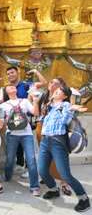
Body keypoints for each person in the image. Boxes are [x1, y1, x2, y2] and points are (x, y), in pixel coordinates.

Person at [38, 84, 90, 212]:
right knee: (43, 170)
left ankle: (84, 199)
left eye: (59, 91)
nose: (55, 91)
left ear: (65, 96)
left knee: (65, 175)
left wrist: (71, 108)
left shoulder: (64, 106)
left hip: (57, 142)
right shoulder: (50, 106)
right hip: (45, 141)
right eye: (55, 90)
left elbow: (65, 121)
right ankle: (53, 189)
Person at [0, 66, 47, 178]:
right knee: (16, 145)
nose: (10, 75)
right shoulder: (7, 88)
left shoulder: (25, 85)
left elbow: (43, 82)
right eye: (8, 73)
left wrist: (35, 71)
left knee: (27, 147)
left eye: (12, 72)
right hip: (12, 122)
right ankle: (19, 164)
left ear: (17, 73)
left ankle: (28, 168)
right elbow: (2, 103)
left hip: (25, 120)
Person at [0, 85, 41, 196]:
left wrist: (35, 98)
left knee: (31, 159)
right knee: (10, 158)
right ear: (6, 92)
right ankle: (7, 176)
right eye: (9, 87)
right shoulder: (4, 105)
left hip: (26, 134)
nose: (12, 87)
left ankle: (34, 186)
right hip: (11, 134)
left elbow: (35, 112)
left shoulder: (25, 101)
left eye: (13, 86)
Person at [35, 77, 72, 195]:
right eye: (51, 82)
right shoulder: (44, 97)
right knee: (45, 156)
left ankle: (64, 182)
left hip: (57, 132)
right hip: (42, 127)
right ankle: (48, 177)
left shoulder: (62, 101)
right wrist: (33, 96)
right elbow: (36, 112)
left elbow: (67, 117)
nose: (52, 85)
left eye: (56, 84)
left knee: (59, 158)